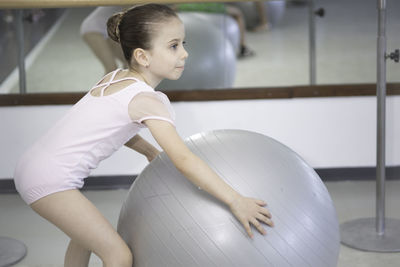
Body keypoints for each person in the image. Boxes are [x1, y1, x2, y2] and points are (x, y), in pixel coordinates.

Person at [14, 4, 273, 266]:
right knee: (119, 255)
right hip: (50, 181)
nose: (185, 53)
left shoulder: (114, 77)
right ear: (142, 56)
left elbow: (112, 127)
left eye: (183, 43)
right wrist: (235, 200)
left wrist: (148, 150)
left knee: (84, 237)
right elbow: (184, 159)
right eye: (173, 46)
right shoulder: (149, 100)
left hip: (33, 165)